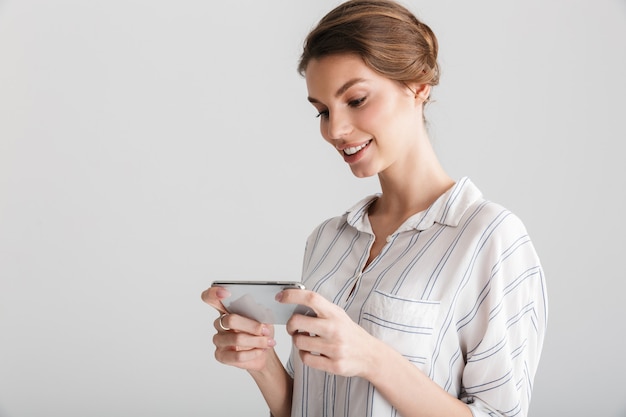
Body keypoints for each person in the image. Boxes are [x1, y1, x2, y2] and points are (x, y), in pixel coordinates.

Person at [201, 0, 548, 416]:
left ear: (418, 84)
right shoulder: (327, 239)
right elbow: (307, 406)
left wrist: (374, 359)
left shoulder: (490, 238)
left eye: (357, 100)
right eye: (323, 111)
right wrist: (261, 364)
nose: (335, 130)